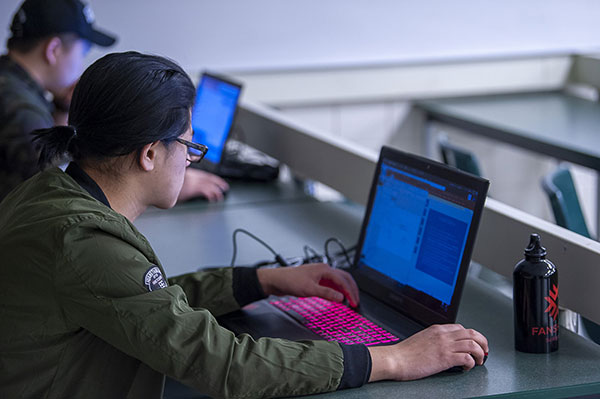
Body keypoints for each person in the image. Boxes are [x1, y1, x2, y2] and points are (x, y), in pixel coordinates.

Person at [0, 52, 488, 399]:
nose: (191, 163)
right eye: (189, 148)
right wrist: (392, 360)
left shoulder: (52, 193)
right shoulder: (85, 242)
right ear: (149, 153)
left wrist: (263, 281)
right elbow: (222, 364)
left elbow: (140, 304)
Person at [0, 0, 228, 203]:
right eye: (83, 52)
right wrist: (162, 182)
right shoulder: (21, 111)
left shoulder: (12, 86)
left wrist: (62, 107)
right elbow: (59, 196)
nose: (81, 64)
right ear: (54, 50)